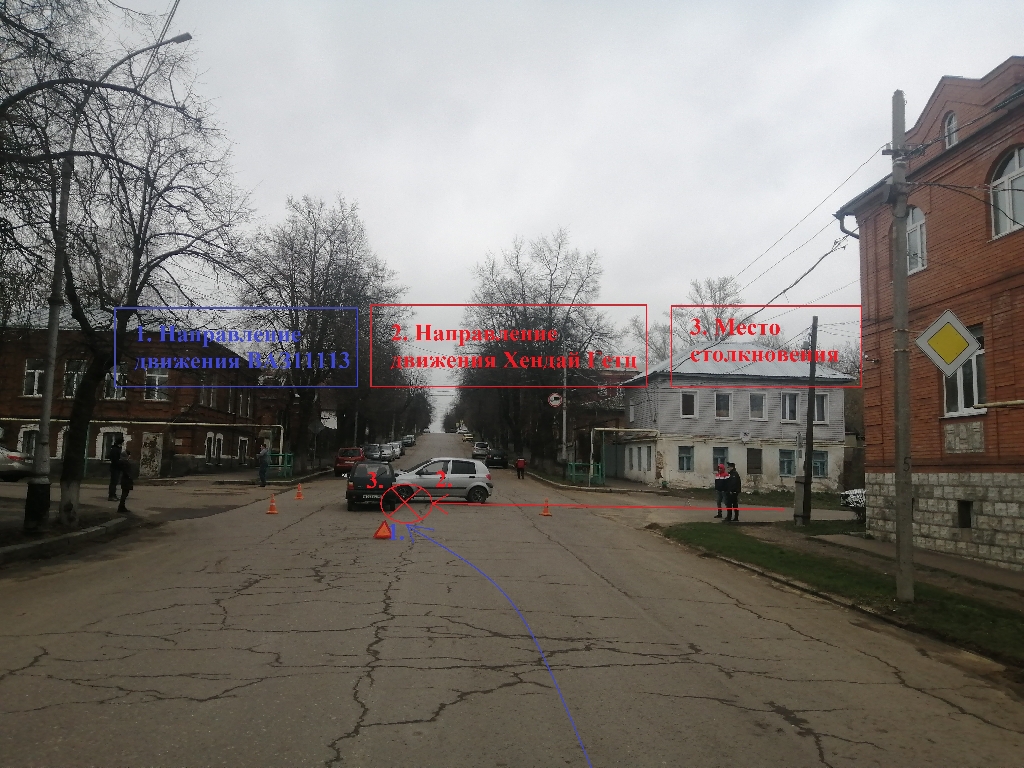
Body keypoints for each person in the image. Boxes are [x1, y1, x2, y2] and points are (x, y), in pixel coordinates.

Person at [117, 449, 134, 515]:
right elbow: (127, 471)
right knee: (125, 493)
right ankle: (121, 506)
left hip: (124, 479)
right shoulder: (125, 463)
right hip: (126, 480)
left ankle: (122, 506)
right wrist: (130, 477)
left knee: (125, 493)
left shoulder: (121, 462)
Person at [107, 435, 123, 502]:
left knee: (114, 482)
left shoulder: (114, 449)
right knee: (114, 482)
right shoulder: (115, 450)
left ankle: (113, 495)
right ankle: (111, 495)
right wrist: (120, 464)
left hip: (114, 467)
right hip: (115, 467)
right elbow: (115, 460)